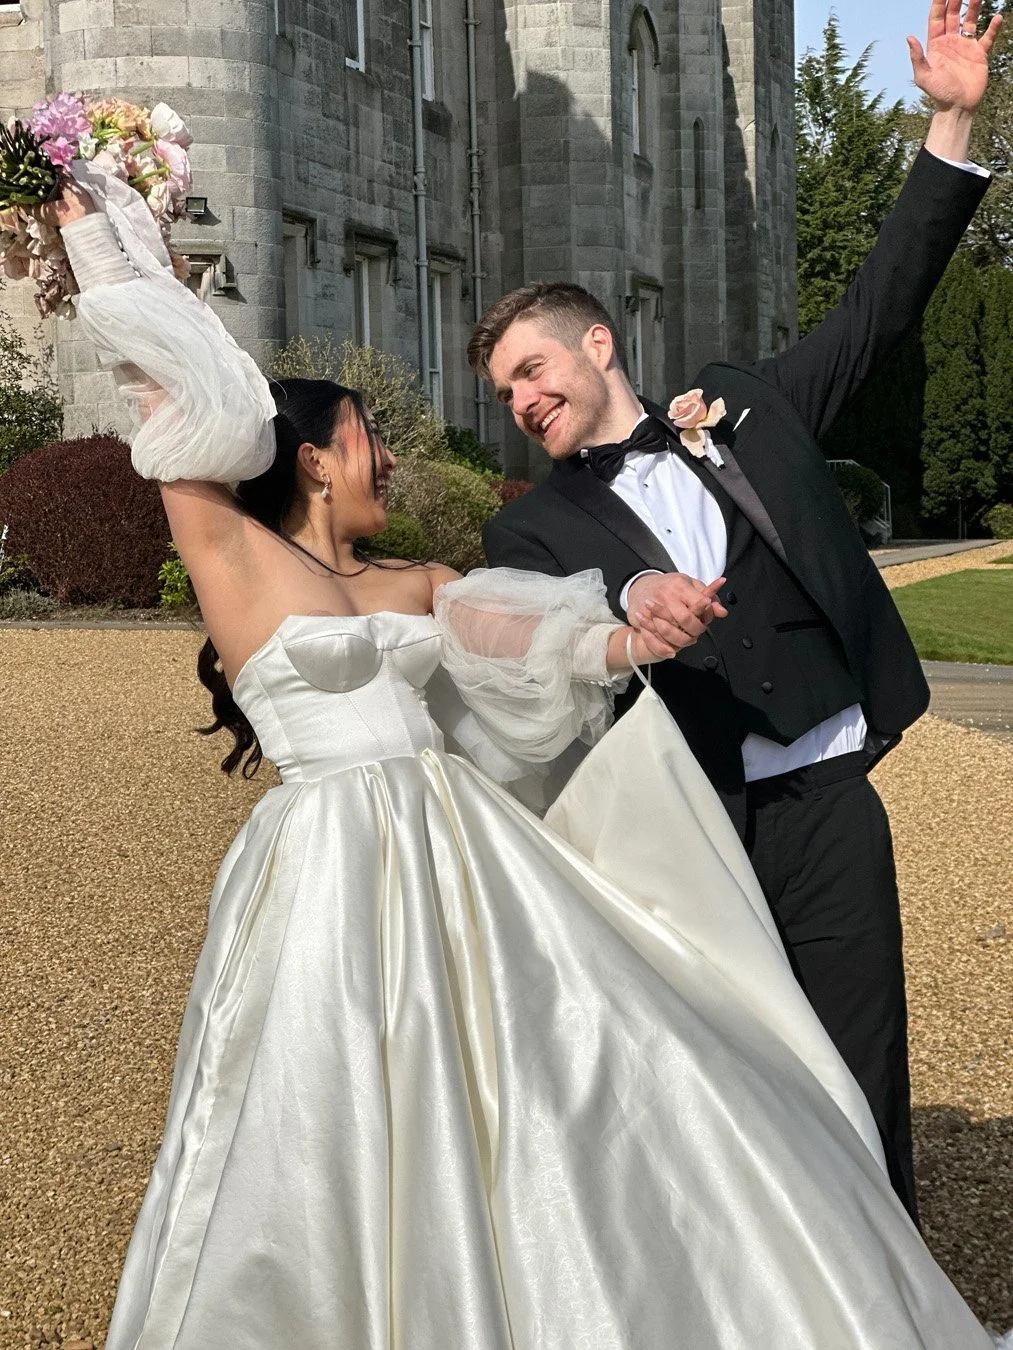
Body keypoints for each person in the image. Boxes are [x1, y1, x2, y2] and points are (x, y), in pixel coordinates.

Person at [46, 155, 1001, 1350]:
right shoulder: (241, 572)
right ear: (311, 457)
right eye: (366, 437)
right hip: (331, 873)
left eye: (522, 375)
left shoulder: (428, 575)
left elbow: (517, 633)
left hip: (469, 855)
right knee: (326, 1118)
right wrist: (100, 224)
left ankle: (839, 1299)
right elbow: (176, 399)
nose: (389, 454)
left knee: (563, 1094)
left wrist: (618, 630)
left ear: (596, 346)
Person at [475, 0, 1001, 1225]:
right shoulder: (525, 532)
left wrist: (948, 119)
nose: (522, 400)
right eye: (505, 392)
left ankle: (883, 1296)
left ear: (597, 346)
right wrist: (619, 614)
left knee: (861, 1063)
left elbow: (877, 306)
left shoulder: (741, 405)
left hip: (822, 793)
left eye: (532, 371)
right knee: (715, 1079)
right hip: (685, 828)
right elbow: (526, 657)